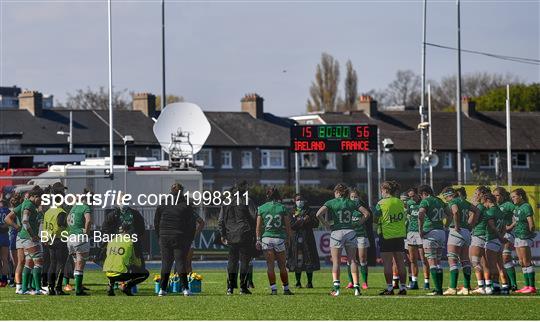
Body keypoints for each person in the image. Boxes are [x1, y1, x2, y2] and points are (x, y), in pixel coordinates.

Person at [316, 183, 365, 296]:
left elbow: (318, 214)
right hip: (350, 231)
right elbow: (366, 214)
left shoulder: (331, 202)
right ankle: (357, 288)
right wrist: (357, 224)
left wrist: (326, 224)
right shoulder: (352, 202)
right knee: (352, 260)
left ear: (337, 192)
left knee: (336, 262)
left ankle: (336, 289)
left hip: (337, 232)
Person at [154, 183, 197, 296]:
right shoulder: (186, 205)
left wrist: (159, 236)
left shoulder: (163, 203)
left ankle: (162, 289)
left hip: (164, 237)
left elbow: (156, 222)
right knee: (180, 262)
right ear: (182, 192)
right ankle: (185, 289)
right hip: (179, 237)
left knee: (165, 263)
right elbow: (191, 225)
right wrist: (190, 239)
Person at [219, 182, 257, 295]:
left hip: (231, 235)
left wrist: (222, 234)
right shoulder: (247, 201)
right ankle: (243, 287)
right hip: (245, 234)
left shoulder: (226, 202)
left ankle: (230, 287)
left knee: (232, 261)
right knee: (245, 261)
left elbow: (220, 220)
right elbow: (254, 216)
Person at [441, 186, 478, 295]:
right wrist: (471, 225)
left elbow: (455, 212)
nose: (446, 200)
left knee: (452, 259)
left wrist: (456, 226)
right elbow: (476, 210)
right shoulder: (464, 201)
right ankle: (466, 288)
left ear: (449, 195)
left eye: (445, 198)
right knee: (465, 260)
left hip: (456, 231)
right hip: (466, 231)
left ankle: (452, 288)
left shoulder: (453, 201)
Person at [256, 187, 293, 295]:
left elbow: (258, 227)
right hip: (279, 239)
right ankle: (286, 289)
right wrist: (289, 239)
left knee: (270, 266)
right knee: (282, 266)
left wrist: (258, 240)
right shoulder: (282, 207)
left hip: (266, 239)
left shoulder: (261, 208)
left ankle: (273, 289)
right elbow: (287, 227)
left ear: (267, 196)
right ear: (277, 196)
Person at [373, 181, 408, 296]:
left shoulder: (381, 203)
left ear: (386, 190)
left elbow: (375, 218)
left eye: (381, 190)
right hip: (399, 236)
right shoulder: (400, 202)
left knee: (387, 264)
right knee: (400, 264)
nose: (381, 192)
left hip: (386, 235)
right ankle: (403, 288)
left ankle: (389, 288)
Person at [417, 184, 446, 296]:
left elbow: (420, 215)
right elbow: (449, 214)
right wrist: (446, 225)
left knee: (432, 262)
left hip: (430, 233)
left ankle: (438, 290)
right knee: (438, 262)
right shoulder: (439, 201)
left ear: (423, 193)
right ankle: (439, 289)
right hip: (441, 232)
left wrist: (420, 230)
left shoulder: (425, 201)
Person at [287, 193, 320, 289]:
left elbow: (316, 223)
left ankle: (309, 282)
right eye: (298, 199)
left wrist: (308, 220)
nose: (300, 201)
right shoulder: (291, 211)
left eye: (301, 199)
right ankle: (298, 282)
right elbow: (292, 225)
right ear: (294, 201)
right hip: (295, 240)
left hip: (307, 239)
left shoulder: (309, 211)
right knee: (297, 260)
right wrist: (303, 221)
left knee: (309, 259)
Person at [42, 184, 69, 295]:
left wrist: (45, 238)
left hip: (49, 240)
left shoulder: (48, 211)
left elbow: (45, 226)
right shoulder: (61, 212)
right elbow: (60, 226)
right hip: (58, 239)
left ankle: (50, 287)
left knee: (52, 263)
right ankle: (58, 287)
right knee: (61, 264)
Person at [18, 186, 45, 295]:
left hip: (24, 237)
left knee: (29, 262)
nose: (41, 201)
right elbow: (25, 221)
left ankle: (24, 289)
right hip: (29, 238)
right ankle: (38, 289)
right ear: (34, 196)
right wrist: (33, 235)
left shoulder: (29, 204)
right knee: (38, 261)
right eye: (41, 198)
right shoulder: (29, 205)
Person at [509, 188, 536, 294]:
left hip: (524, 236)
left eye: (514, 197)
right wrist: (509, 227)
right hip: (517, 236)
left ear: (520, 196)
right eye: (511, 197)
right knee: (521, 262)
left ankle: (532, 286)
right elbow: (515, 222)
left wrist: (529, 233)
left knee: (526, 261)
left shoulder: (526, 206)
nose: (513, 199)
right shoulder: (516, 207)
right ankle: (526, 286)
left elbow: (531, 223)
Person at [66, 189, 93, 296]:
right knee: (80, 264)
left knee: (76, 263)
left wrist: (72, 229)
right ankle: (78, 289)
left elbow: (68, 220)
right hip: (80, 238)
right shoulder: (85, 207)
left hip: (70, 238)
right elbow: (88, 220)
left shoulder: (73, 207)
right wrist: (86, 232)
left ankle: (77, 287)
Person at [483, 193, 509, 294]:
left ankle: (496, 287)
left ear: (488, 201)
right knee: (500, 265)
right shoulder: (500, 211)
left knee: (491, 265)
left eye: (484, 202)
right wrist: (501, 237)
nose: (484, 204)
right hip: (498, 241)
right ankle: (505, 288)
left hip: (491, 239)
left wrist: (498, 237)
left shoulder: (490, 211)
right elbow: (503, 228)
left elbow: (492, 227)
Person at [493, 187, 518, 291]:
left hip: (507, 234)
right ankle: (504, 283)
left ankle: (513, 284)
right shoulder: (493, 206)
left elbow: (519, 214)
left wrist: (511, 226)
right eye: (494, 195)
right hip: (496, 235)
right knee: (498, 261)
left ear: (503, 196)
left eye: (497, 195)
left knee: (506, 258)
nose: (495, 197)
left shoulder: (508, 205)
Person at [404, 188, 429, 290]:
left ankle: (426, 282)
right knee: (412, 260)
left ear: (418, 195)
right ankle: (414, 282)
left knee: (424, 259)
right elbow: (408, 216)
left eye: (413, 195)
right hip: (411, 232)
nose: (412, 198)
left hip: (422, 233)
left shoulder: (424, 202)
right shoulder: (409, 203)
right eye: (410, 196)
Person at [469, 186, 491, 294]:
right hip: (486, 235)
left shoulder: (479, 207)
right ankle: (487, 286)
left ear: (481, 195)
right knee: (484, 262)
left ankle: (481, 287)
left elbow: (472, 222)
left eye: (476, 194)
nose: (474, 196)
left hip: (478, 235)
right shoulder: (488, 206)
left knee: (475, 261)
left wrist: (472, 208)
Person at [350, 189, 371, 290]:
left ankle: (365, 282)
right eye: (352, 197)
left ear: (359, 198)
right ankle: (351, 282)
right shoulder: (348, 208)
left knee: (362, 258)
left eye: (356, 197)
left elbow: (368, 216)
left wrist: (359, 223)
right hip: (351, 236)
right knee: (351, 259)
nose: (354, 199)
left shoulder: (362, 207)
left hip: (362, 235)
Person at [0, 199, 10, 287]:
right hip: (5, 236)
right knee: (5, 259)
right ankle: (4, 280)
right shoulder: (8, 211)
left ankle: (0, 280)